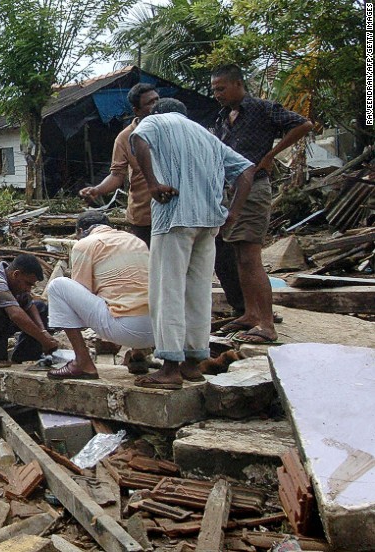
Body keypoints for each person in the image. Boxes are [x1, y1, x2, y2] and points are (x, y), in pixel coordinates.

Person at [130, 98, 256, 389]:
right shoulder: (206, 135)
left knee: (167, 290)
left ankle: (170, 369)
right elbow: (247, 171)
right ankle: (192, 364)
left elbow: (138, 138)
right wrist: (233, 213)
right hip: (208, 221)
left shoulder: (157, 120)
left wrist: (151, 184)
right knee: (198, 292)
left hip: (175, 217)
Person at [210, 64, 313, 343]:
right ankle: (251, 314)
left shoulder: (262, 108)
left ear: (238, 85)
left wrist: (270, 155)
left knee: (251, 257)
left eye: (221, 88)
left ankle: (266, 324)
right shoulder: (221, 118)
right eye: (214, 89)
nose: (217, 94)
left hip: (254, 188)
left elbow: (303, 124)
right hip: (232, 191)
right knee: (239, 256)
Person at [42, 211, 155, 379]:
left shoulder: (85, 244)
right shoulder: (136, 241)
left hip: (125, 329)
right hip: (158, 332)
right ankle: (138, 353)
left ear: (80, 231)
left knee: (58, 286)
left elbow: (83, 291)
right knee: (133, 290)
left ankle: (82, 362)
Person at [79, 83, 160, 245]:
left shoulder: (171, 130)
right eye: (150, 103)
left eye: (157, 100)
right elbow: (117, 175)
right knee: (146, 263)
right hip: (144, 215)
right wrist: (97, 189)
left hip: (173, 213)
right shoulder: (125, 138)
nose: (156, 106)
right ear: (136, 110)